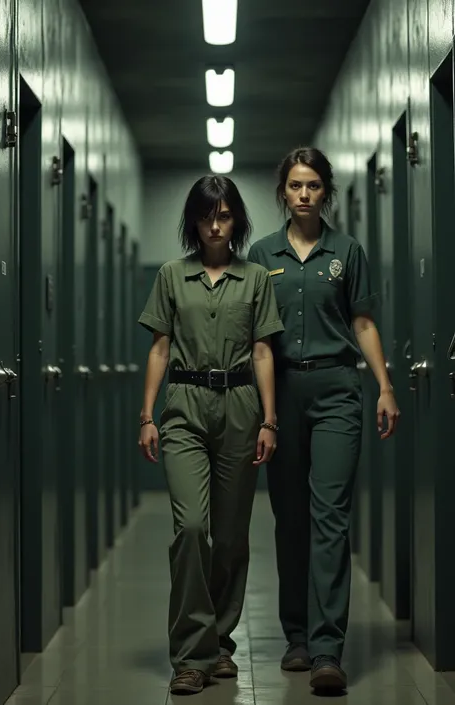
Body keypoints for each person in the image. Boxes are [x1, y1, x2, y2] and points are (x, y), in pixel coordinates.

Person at [247, 147, 400, 693]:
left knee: (330, 515)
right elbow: (256, 336)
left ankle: (328, 647)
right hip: (280, 393)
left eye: (313, 185)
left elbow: (362, 322)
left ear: (325, 191)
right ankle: (297, 637)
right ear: (283, 192)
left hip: (337, 389)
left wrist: (383, 386)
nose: (304, 194)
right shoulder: (261, 254)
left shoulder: (347, 251)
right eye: (295, 185)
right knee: (290, 518)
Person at [138, 175, 284, 696]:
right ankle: (190, 654)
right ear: (193, 223)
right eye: (206, 217)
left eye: (224, 216)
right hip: (183, 406)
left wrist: (269, 419)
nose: (215, 226)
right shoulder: (172, 276)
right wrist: (147, 414)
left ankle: (221, 643)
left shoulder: (256, 279)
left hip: (242, 407)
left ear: (237, 221)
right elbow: (160, 346)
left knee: (229, 534)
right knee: (192, 528)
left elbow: (264, 350)